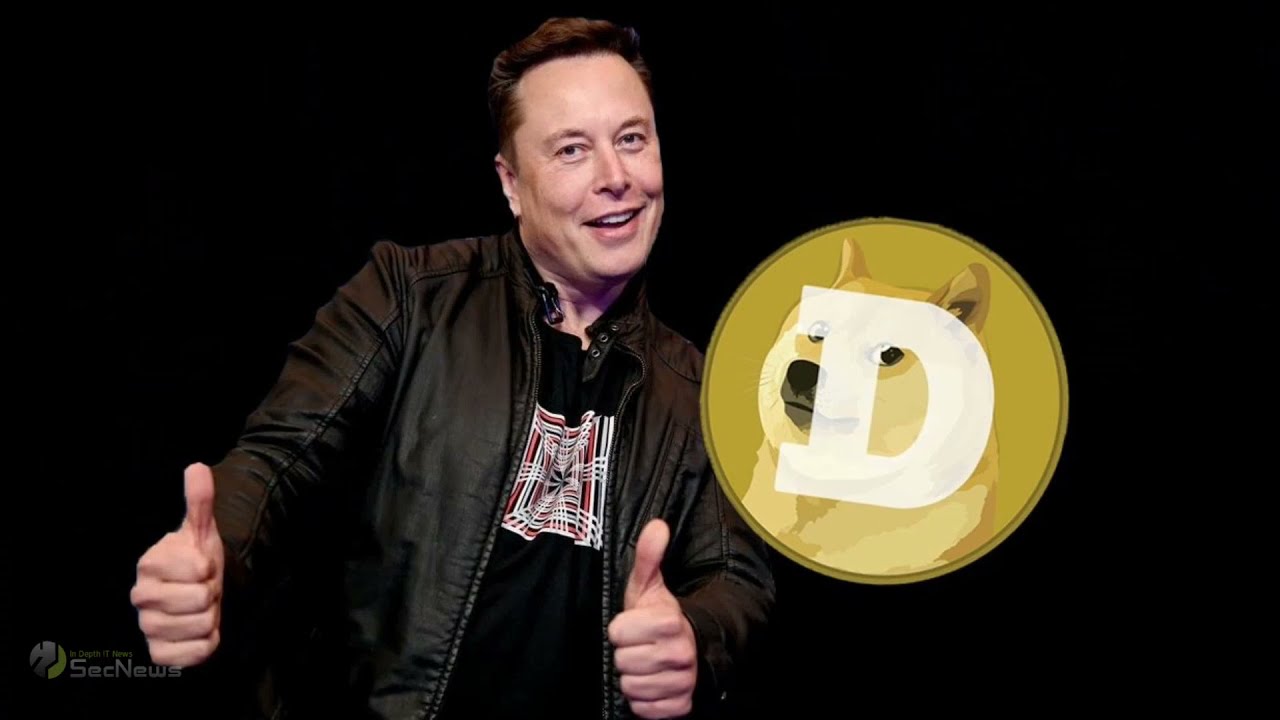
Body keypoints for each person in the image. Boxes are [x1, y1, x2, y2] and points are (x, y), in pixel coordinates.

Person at [129, 16, 775, 720]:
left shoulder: (701, 390)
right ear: (511, 183)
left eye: (631, 139)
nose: (615, 177)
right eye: (571, 150)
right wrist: (215, 558)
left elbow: (732, 576)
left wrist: (693, 638)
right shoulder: (408, 297)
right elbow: (278, 461)